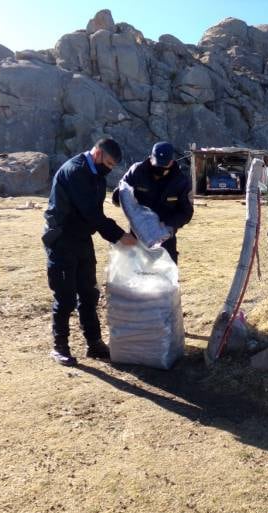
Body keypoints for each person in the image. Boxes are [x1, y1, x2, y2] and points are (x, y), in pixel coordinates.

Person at [42, 138, 137, 366]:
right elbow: (91, 214)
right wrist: (119, 236)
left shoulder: (96, 175)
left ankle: (94, 343)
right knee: (65, 296)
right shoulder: (75, 172)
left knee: (88, 293)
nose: (110, 168)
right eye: (109, 163)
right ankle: (60, 346)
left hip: (82, 238)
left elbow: (95, 213)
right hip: (62, 240)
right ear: (98, 154)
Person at [114, 142, 194, 263]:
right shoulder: (137, 171)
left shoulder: (181, 182)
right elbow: (121, 193)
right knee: (139, 277)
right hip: (137, 237)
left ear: (171, 162)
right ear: (151, 157)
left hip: (165, 239)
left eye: (164, 165)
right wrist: (118, 195)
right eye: (157, 164)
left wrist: (168, 224)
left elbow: (186, 212)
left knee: (165, 279)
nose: (159, 168)